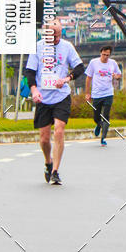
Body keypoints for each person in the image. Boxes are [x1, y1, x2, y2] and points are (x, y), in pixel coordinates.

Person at [26, 18, 84, 186]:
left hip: (61, 96)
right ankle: (48, 162)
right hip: (43, 97)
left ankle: (55, 171)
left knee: (59, 131)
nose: (55, 38)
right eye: (52, 35)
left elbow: (80, 67)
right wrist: (34, 90)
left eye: (58, 35)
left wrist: (67, 78)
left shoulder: (67, 47)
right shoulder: (38, 47)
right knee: (44, 139)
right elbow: (30, 72)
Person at [85, 46, 122, 146]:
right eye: (103, 54)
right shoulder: (93, 62)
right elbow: (88, 78)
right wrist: (87, 93)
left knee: (106, 116)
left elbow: (119, 75)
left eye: (107, 55)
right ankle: (98, 125)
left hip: (108, 93)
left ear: (110, 55)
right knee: (96, 117)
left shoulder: (113, 63)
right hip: (96, 94)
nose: (105, 57)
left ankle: (103, 138)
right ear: (100, 53)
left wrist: (116, 76)